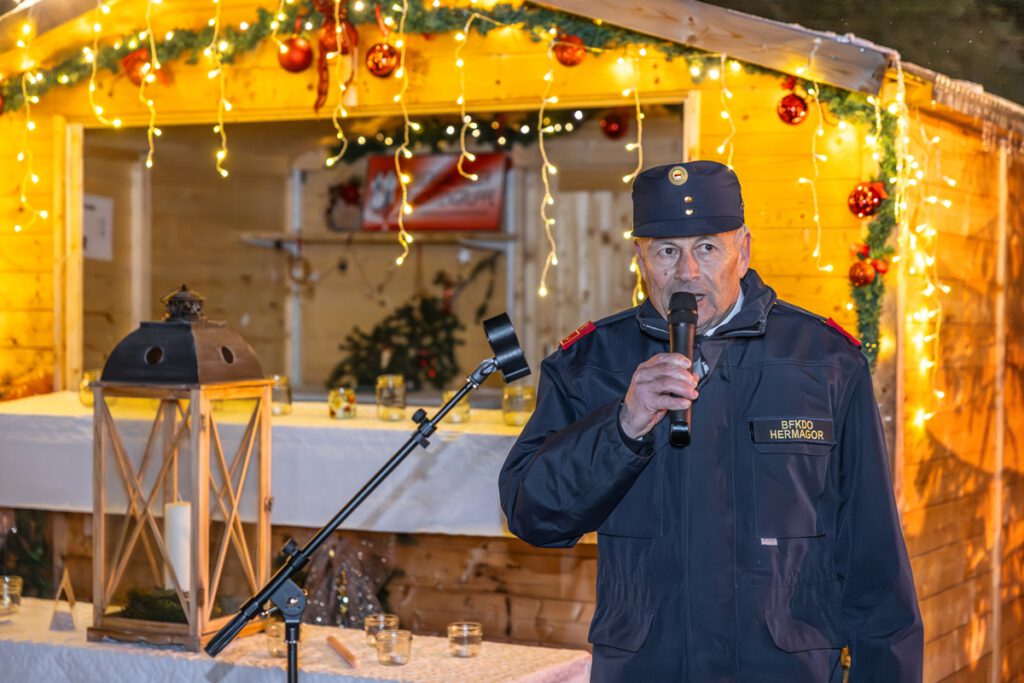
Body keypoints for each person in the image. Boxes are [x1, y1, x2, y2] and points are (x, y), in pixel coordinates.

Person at [498, 160, 923, 682]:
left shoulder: (824, 361)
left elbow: (874, 559)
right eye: (666, 251)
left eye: (706, 248)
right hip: (647, 669)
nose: (687, 272)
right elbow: (533, 515)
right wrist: (623, 426)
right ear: (640, 259)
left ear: (743, 251)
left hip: (784, 670)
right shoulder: (589, 365)